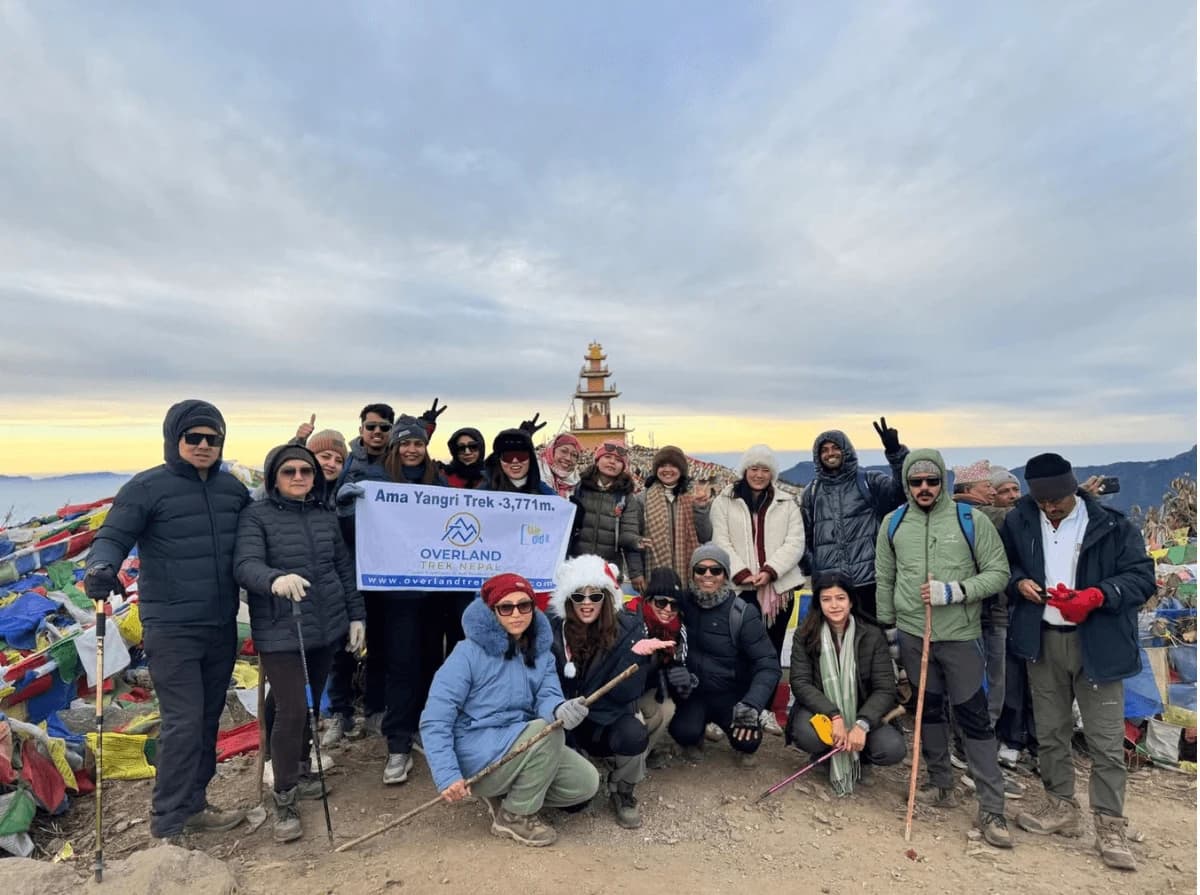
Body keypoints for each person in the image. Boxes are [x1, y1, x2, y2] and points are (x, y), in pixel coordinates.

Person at [83, 400, 250, 842]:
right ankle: (168, 822)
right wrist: (100, 568)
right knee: (184, 720)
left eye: (212, 438)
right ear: (174, 439)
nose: (203, 445)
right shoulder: (147, 487)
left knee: (209, 717)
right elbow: (113, 535)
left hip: (221, 624)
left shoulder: (232, 491)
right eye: (193, 437)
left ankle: (195, 804)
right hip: (171, 626)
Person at [1001, 453, 1155, 871]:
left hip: (1097, 643)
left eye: (1058, 501)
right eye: (1043, 501)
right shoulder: (1021, 521)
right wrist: (1020, 583)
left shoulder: (1112, 526)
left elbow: (1143, 578)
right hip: (1043, 640)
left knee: (1105, 740)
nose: (1051, 508)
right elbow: (1007, 565)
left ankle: (1109, 823)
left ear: (1074, 490)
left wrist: (1099, 595)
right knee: (1051, 731)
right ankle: (1060, 804)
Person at [874, 449, 1014, 848]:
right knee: (926, 710)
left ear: (943, 482)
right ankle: (940, 784)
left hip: (960, 634)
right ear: (906, 484)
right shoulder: (893, 522)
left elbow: (998, 573)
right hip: (914, 633)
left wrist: (955, 591)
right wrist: (888, 626)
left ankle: (992, 806)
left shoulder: (971, 520)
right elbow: (885, 575)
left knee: (973, 717)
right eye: (916, 482)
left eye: (931, 481)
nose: (923, 488)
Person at [233, 444, 366, 842]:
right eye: (289, 471)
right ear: (275, 476)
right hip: (281, 627)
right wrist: (273, 579)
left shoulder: (324, 515)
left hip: (326, 627)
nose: (298, 478)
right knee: (293, 709)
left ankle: (302, 768)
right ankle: (285, 794)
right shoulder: (256, 516)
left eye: (305, 471)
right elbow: (245, 564)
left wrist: (356, 615)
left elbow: (342, 567)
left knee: (303, 701)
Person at [419, 573, 600, 847]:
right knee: (546, 733)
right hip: (477, 753)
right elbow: (435, 718)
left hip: (519, 743)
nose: (517, 614)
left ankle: (509, 795)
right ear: (493, 611)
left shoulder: (541, 652)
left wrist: (562, 709)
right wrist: (448, 775)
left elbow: (548, 696)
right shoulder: (467, 653)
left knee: (585, 783)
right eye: (506, 607)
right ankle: (514, 816)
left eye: (524, 605)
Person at [336, 415, 445, 785]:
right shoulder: (376, 482)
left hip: (435, 593)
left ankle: (422, 727)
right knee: (401, 664)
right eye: (406, 444)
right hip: (395, 594)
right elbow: (355, 534)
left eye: (418, 443)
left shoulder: (438, 481)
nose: (412, 450)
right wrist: (347, 510)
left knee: (431, 662)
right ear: (396, 447)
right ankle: (397, 744)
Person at [547, 555, 661, 827]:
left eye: (595, 596)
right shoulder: (551, 632)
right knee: (575, 805)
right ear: (568, 599)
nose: (587, 603)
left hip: (605, 718)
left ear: (607, 598)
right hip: (563, 722)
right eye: (578, 596)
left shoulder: (628, 631)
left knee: (634, 734)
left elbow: (626, 694)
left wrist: (634, 658)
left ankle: (623, 790)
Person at [788, 571, 905, 794]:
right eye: (826, 599)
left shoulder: (872, 635)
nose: (834, 605)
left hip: (863, 709)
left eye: (840, 598)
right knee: (807, 734)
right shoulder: (805, 634)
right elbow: (801, 683)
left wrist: (862, 724)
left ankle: (861, 759)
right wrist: (835, 715)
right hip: (821, 710)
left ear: (851, 600)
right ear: (818, 603)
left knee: (892, 748)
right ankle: (824, 756)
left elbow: (884, 688)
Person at [668, 544, 781, 767]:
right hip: (694, 693)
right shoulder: (679, 605)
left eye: (716, 570)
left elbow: (768, 663)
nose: (707, 575)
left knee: (748, 742)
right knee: (683, 732)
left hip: (731, 694)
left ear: (726, 575)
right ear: (692, 574)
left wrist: (752, 704)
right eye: (700, 570)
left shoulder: (742, 613)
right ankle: (697, 735)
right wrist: (675, 672)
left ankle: (731, 730)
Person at [710, 445, 805, 690]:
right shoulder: (724, 501)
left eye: (765, 470)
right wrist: (742, 573)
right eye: (754, 468)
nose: (759, 475)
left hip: (779, 590)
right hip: (740, 590)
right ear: (745, 470)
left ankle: (766, 708)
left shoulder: (787, 503)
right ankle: (742, 704)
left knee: (771, 650)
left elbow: (795, 543)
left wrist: (770, 570)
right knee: (740, 650)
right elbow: (721, 540)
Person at [800, 419, 909, 624]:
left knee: (874, 642)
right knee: (837, 645)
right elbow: (803, 536)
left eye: (835, 448)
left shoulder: (869, 481)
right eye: (825, 450)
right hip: (831, 586)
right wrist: (814, 568)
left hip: (870, 581)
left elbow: (902, 492)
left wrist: (896, 453)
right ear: (818, 455)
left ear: (846, 451)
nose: (830, 453)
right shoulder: (811, 492)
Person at [628, 568, 696, 767]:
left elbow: (679, 665)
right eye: (661, 602)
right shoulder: (630, 619)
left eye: (674, 604)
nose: (667, 609)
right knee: (638, 721)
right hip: (620, 690)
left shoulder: (678, 629)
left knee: (667, 708)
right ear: (648, 599)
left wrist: (685, 681)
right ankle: (618, 757)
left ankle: (639, 761)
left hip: (647, 688)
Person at [569, 441, 646, 593]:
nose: (612, 462)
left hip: (608, 568)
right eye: (608, 457)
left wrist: (636, 573)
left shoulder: (626, 498)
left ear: (624, 467)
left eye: (618, 460)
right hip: (576, 565)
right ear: (597, 460)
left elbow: (629, 534)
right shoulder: (578, 488)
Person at [640, 446, 712, 584]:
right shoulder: (642, 499)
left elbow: (705, 536)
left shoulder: (692, 497)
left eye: (673, 465)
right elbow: (636, 540)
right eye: (662, 466)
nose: (667, 470)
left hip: (688, 574)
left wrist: (700, 508)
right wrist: (637, 573)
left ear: (681, 469)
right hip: (654, 575)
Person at [485, 429, 557, 495]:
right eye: (507, 457)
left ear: (531, 459)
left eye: (521, 456)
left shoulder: (547, 494)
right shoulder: (483, 491)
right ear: (499, 460)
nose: (515, 461)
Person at [539, 433, 583, 500]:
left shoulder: (576, 482)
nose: (568, 458)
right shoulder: (536, 472)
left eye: (574, 455)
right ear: (552, 450)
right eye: (564, 451)